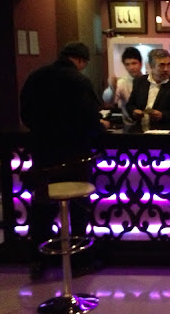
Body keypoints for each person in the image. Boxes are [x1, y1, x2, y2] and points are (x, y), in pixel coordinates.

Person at [20, 41, 110, 280]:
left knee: (42, 209)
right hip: (74, 157)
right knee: (78, 210)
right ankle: (79, 262)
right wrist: (101, 126)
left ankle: (38, 260)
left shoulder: (35, 77)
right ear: (80, 60)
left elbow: (26, 116)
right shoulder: (79, 81)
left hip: (43, 156)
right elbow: (90, 122)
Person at [126, 49, 170, 130]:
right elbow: (130, 105)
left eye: (169, 64)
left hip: (166, 130)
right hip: (141, 128)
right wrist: (134, 111)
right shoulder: (139, 82)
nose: (166, 69)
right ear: (151, 66)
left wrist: (163, 115)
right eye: (161, 65)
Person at [102, 46, 143, 124]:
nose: (131, 67)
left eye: (134, 63)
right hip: (129, 124)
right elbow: (108, 100)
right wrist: (112, 88)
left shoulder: (148, 80)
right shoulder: (122, 82)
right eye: (127, 64)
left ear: (141, 64)